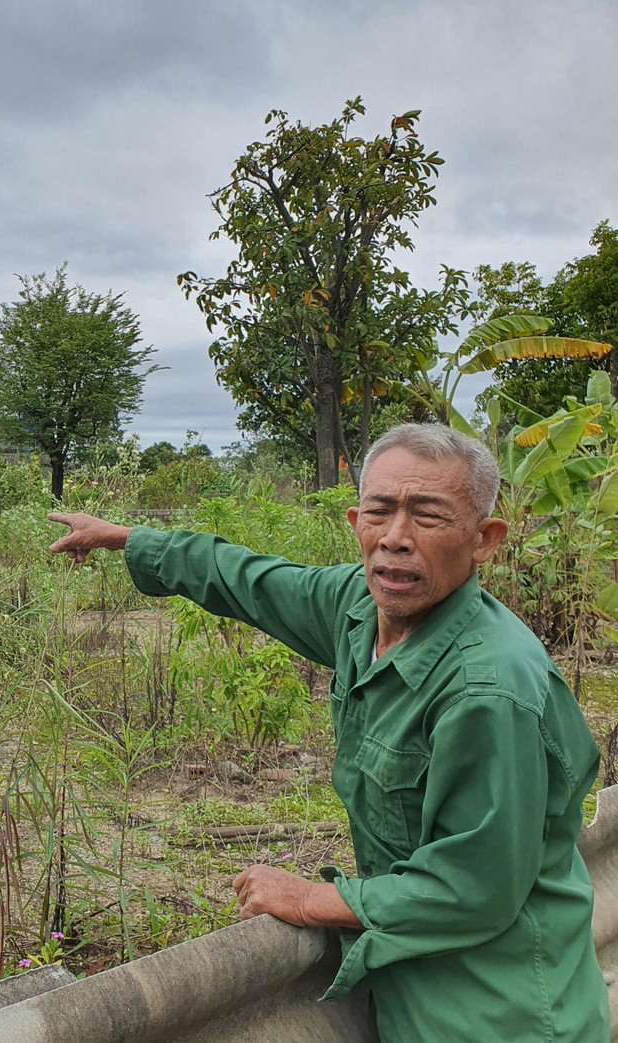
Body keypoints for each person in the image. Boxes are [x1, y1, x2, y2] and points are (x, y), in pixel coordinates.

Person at [48, 423, 609, 1041]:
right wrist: (128, 539)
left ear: (485, 540)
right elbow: (249, 580)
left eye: (429, 516)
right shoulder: (360, 610)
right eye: (380, 511)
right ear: (355, 521)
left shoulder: (488, 690)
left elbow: (471, 887)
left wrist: (307, 899)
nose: (395, 539)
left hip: (499, 1013)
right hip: (412, 990)